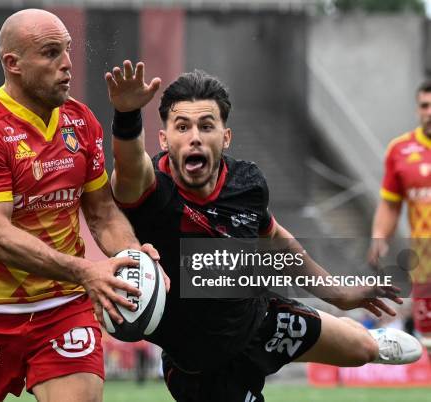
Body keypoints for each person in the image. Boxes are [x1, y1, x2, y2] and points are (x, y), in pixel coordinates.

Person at [106, 64, 423, 401]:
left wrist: (339, 294)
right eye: (182, 127)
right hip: (201, 367)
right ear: (164, 138)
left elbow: (275, 240)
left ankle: (374, 341)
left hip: (261, 319)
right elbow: (128, 167)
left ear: (225, 137)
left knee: (360, 349)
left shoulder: (247, 183)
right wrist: (126, 115)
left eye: (206, 126)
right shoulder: (150, 188)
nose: (194, 136)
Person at [0, 10, 166, 402]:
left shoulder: (80, 121)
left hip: (63, 308)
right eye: (50, 53)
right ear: (13, 63)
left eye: (67, 50)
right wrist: (85, 271)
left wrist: (133, 259)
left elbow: (103, 213)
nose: (66, 64)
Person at [368, 80, 431, 352]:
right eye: (425, 105)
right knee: (427, 339)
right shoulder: (400, 150)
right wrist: (379, 237)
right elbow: (391, 204)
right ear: (418, 109)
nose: (430, 111)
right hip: (425, 260)